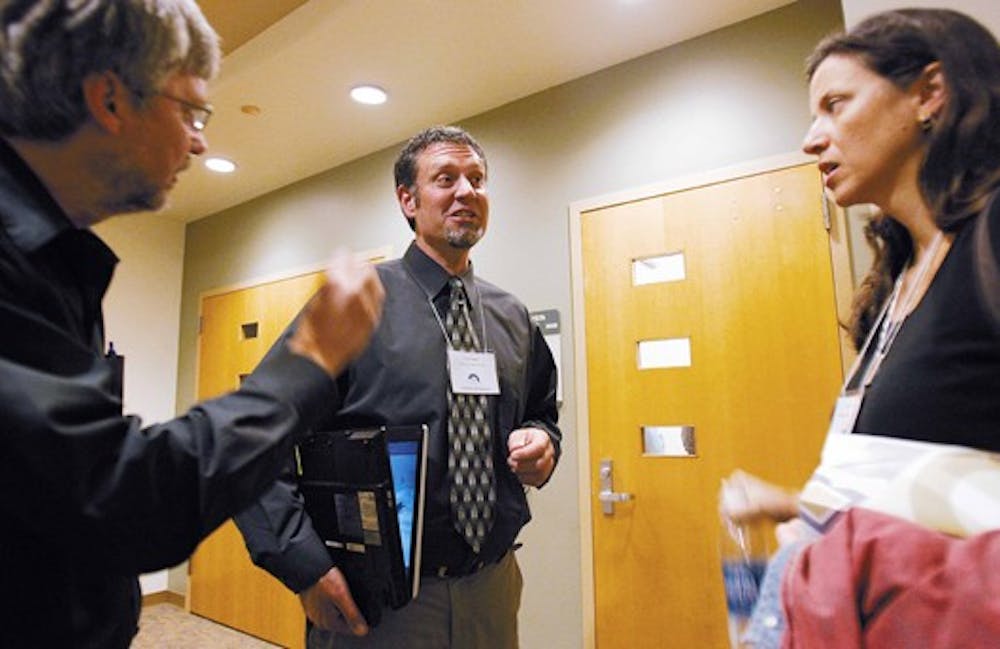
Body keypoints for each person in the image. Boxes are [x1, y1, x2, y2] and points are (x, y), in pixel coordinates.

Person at [0, 2, 384, 647]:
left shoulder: (55, 261)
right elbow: (119, 498)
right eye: (191, 112)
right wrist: (310, 358)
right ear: (111, 99)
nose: (201, 141)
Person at [720, 8, 1000, 648]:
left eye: (835, 105)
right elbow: (927, 490)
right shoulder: (893, 288)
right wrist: (800, 506)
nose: (811, 139)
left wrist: (862, 558)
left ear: (930, 94)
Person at [236, 125, 561, 648]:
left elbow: (542, 414)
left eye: (477, 179)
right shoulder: (356, 304)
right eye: (446, 179)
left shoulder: (512, 317)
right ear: (408, 200)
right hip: (382, 602)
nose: (466, 192)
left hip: (492, 589)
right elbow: (254, 434)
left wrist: (544, 445)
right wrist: (303, 565)